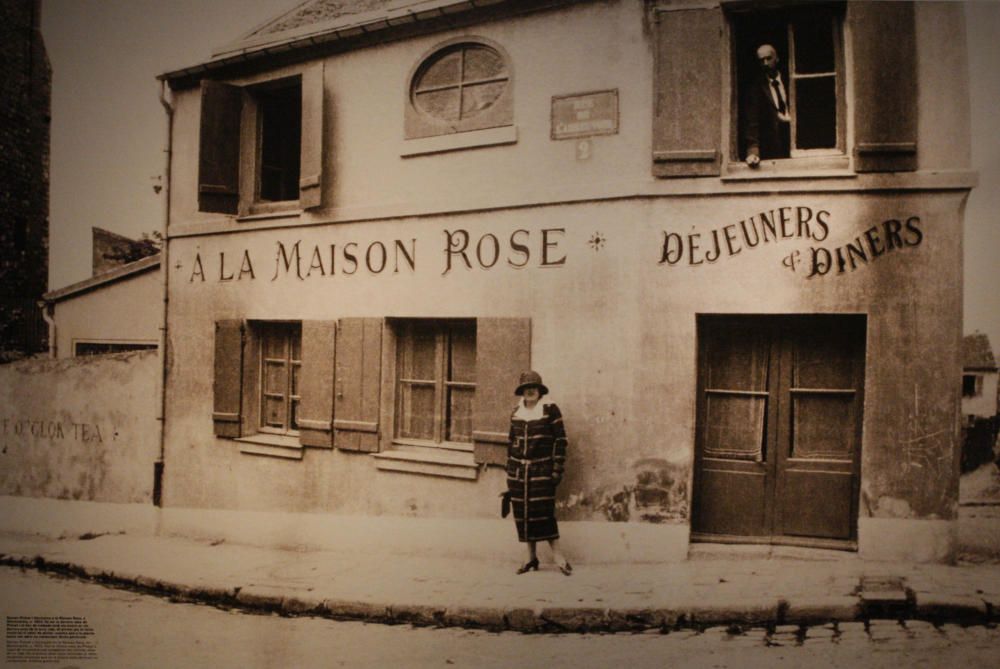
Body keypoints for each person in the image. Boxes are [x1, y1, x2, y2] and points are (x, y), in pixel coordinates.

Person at [506, 370, 572, 575]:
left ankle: (559, 557)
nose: (530, 391)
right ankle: (530, 558)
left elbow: (561, 441)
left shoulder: (550, 410)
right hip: (519, 472)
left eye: (533, 387)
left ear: (540, 390)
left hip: (542, 470)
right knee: (523, 514)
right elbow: (511, 443)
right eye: (526, 388)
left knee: (543, 513)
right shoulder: (516, 413)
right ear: (522, 391)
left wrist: (556, 469)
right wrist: (510, 471)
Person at [743, 43, 791, 167]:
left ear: (777, 58)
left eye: (768, 58)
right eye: (761, 60)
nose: (765, 63)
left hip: (797, 148)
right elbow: (752, 122)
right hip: (772, 151)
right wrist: (753, 152)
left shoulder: (792, 80)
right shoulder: (755, 88)